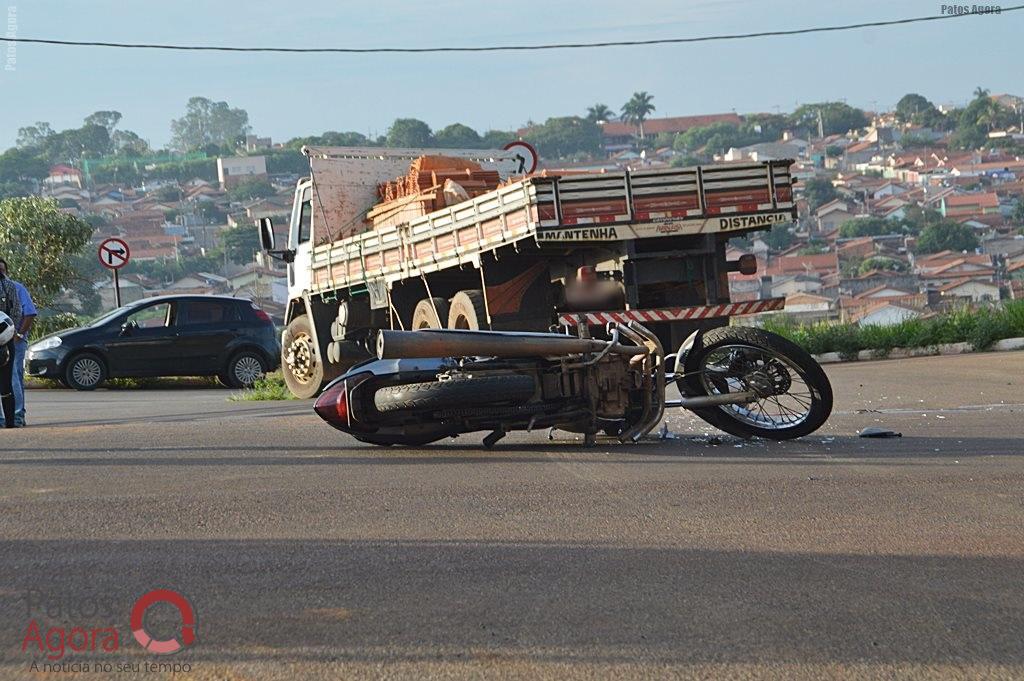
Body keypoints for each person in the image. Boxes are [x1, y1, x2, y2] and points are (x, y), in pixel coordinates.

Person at [0, 259, 34, 427]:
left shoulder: (14, 287)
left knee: (13, 377)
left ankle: (16, 417)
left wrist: (16, 334)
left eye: (2, 269)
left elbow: (26, 313)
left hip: (12, 339)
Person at [0, 265, 22, 428]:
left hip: (4, 339)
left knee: (6, 383)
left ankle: (10, 422)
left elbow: (16, 310)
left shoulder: (8, 286)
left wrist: (10, 332)